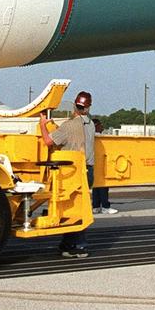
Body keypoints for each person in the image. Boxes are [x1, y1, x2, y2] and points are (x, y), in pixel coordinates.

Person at [38, 91, 96, 257]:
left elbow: (49, 141)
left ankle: (78, 245)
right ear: (88, 107)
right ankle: (69, 243)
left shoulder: (69, 126)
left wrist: (43, 125)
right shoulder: (90, 124)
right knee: (79, 205)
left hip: (72, 171)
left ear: (74, 106)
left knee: (72, 208)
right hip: (88, 169)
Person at [91, 115, 117, 214]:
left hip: (93, 164)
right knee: (103, 186)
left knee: (96, 186)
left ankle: (96, 206)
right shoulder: (100, 138)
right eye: (100, 125)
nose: (102, 127)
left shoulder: (91, 137)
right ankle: (105, 206)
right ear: (96, 126)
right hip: (101, 164)